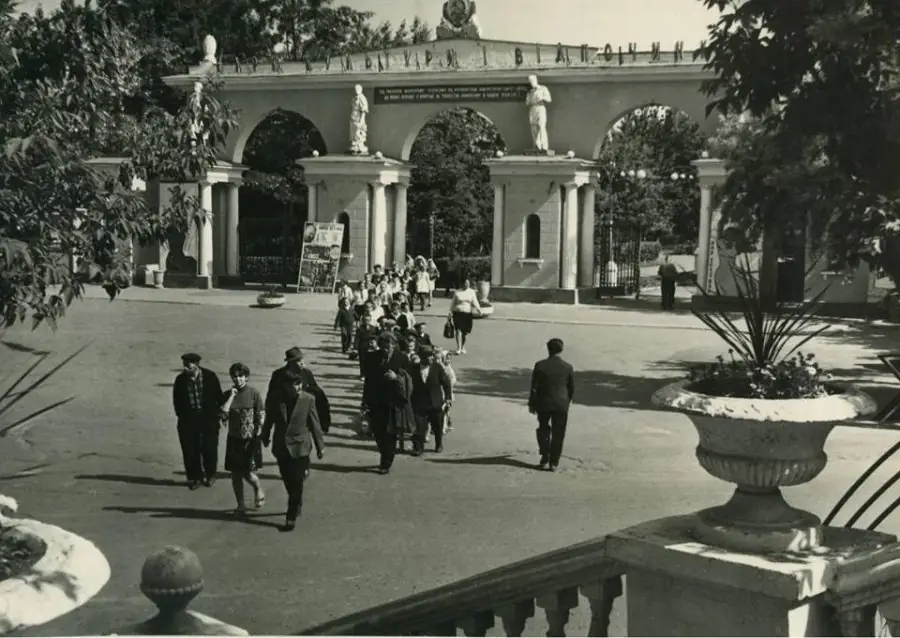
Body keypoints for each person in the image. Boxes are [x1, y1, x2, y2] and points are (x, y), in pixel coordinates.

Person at [261, 368, 325, 531]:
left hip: (301, 446)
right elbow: (270, 419)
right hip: (281, 446)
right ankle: (296, 501)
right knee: (288, 479)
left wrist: (320, 446)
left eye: (299, 385)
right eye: (293, 385)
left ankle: (290, 516)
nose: (296, 388)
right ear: (285, 386)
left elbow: (314, 423)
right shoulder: (277, 399)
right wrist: (265, 435)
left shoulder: (308, 399)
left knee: (296, 481)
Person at [364, 332, 414, 474]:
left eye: (388, 346)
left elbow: (409, 379)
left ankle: (386, 462)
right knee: (378, 432)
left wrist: (396, 377)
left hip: (394, 402)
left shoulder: (402, 358)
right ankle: (384, 453)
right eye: (383, 346)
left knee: (390, 433)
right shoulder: (373, 357)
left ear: (394, 344)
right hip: (376, 401)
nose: (385, 349)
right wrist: (365, 402)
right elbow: (368, 381)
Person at [172, 353, 224, 490]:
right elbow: (177, 400)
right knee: (190, 449)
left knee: (209, 447)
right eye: (184, 365)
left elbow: (219, 396)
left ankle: (211, 474)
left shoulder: (210, 377)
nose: (185, 368)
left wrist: (219, 415)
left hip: (208, 418)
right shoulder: (180, 380)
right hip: (188, 419)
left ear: (196, 365)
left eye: (188, 365)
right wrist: (182, 416)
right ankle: (196, 478)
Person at [221, 362, 266, 514]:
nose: (238, 379)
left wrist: (259, 431)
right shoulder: (228, 394)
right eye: (235, 377)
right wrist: (231, 397)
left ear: (246, 377)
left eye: (241, 376)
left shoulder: (254, 393)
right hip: (234, 439)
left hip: (249, 439)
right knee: (235, 474)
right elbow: (223, 414)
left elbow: (261, 414)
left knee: (248, 472)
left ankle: (258, 488)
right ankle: (241, 505)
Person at [528, 338, 575, 472]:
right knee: (558, 433)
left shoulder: (540, 365)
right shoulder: (567, 367)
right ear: (561, 350)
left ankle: (544, 456)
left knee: (543, 428)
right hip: (561, 404)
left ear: (548, 349)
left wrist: (532, 403)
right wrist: (567, 400)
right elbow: (571, 388)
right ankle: (554, 462)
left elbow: (534, 387)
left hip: (543, 403)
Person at [265, 347, 332, 436]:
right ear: (290, 362)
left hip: (301, 418)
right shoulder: (278, 375)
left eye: (302, 359)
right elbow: (271, 401)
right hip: (284, 417)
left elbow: (317, 395)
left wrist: (323, 423)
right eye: (298, 360)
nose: (302, 363)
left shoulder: (306, 373)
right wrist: (267, 429)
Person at [409, 345, 454, 456]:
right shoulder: (413, 368)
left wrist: (448, 398)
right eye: (429, 357)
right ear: (422, 357)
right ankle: (419, 448)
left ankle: (438, 444)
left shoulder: (437, 367)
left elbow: (446, 383)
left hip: (436, 403)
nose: (432, 358)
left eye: (432, 356)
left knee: (437, 426)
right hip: (419, 404)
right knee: (419, 427)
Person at [449, 278, 481, 355]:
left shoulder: (471, 292)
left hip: (467, 314)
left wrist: (479, 309)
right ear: (462, 284)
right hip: (458, 313)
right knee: (458, 330)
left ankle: (463, 346)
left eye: (468, 283)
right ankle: (458, 348)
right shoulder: (457, 292)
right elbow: (453, 303)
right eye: (465, 283)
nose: (466, 284)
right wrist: (450, 312)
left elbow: (475, 301)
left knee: (465, 332)